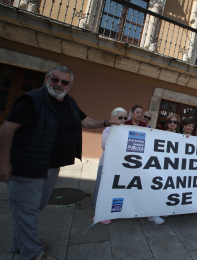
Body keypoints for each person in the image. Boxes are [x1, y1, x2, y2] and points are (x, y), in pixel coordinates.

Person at [0, 66, 119, 260]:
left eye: (64, 82)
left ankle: (20, 244)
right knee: (27, 210)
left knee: (32, 209)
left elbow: (86, 122)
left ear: (69, 85)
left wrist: (106, 122)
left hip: (52, 165)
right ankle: (34, 253)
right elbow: (6, 129)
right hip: (28, 166)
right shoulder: (32, 100)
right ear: (47, 78)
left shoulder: (69, 102)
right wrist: (3, 163)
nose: (59, 85)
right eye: (55, 80)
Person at [93, 107, 127, 225]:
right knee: (102, 188)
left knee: (113, 190)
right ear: (113, 117)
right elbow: (105, 146)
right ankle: (98, 213)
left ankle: (109, 210)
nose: (123, 120)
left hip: (120, 166)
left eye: (125, 118)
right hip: (107, 165)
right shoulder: (108, 129)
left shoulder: (126, 130)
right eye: (120, 117)